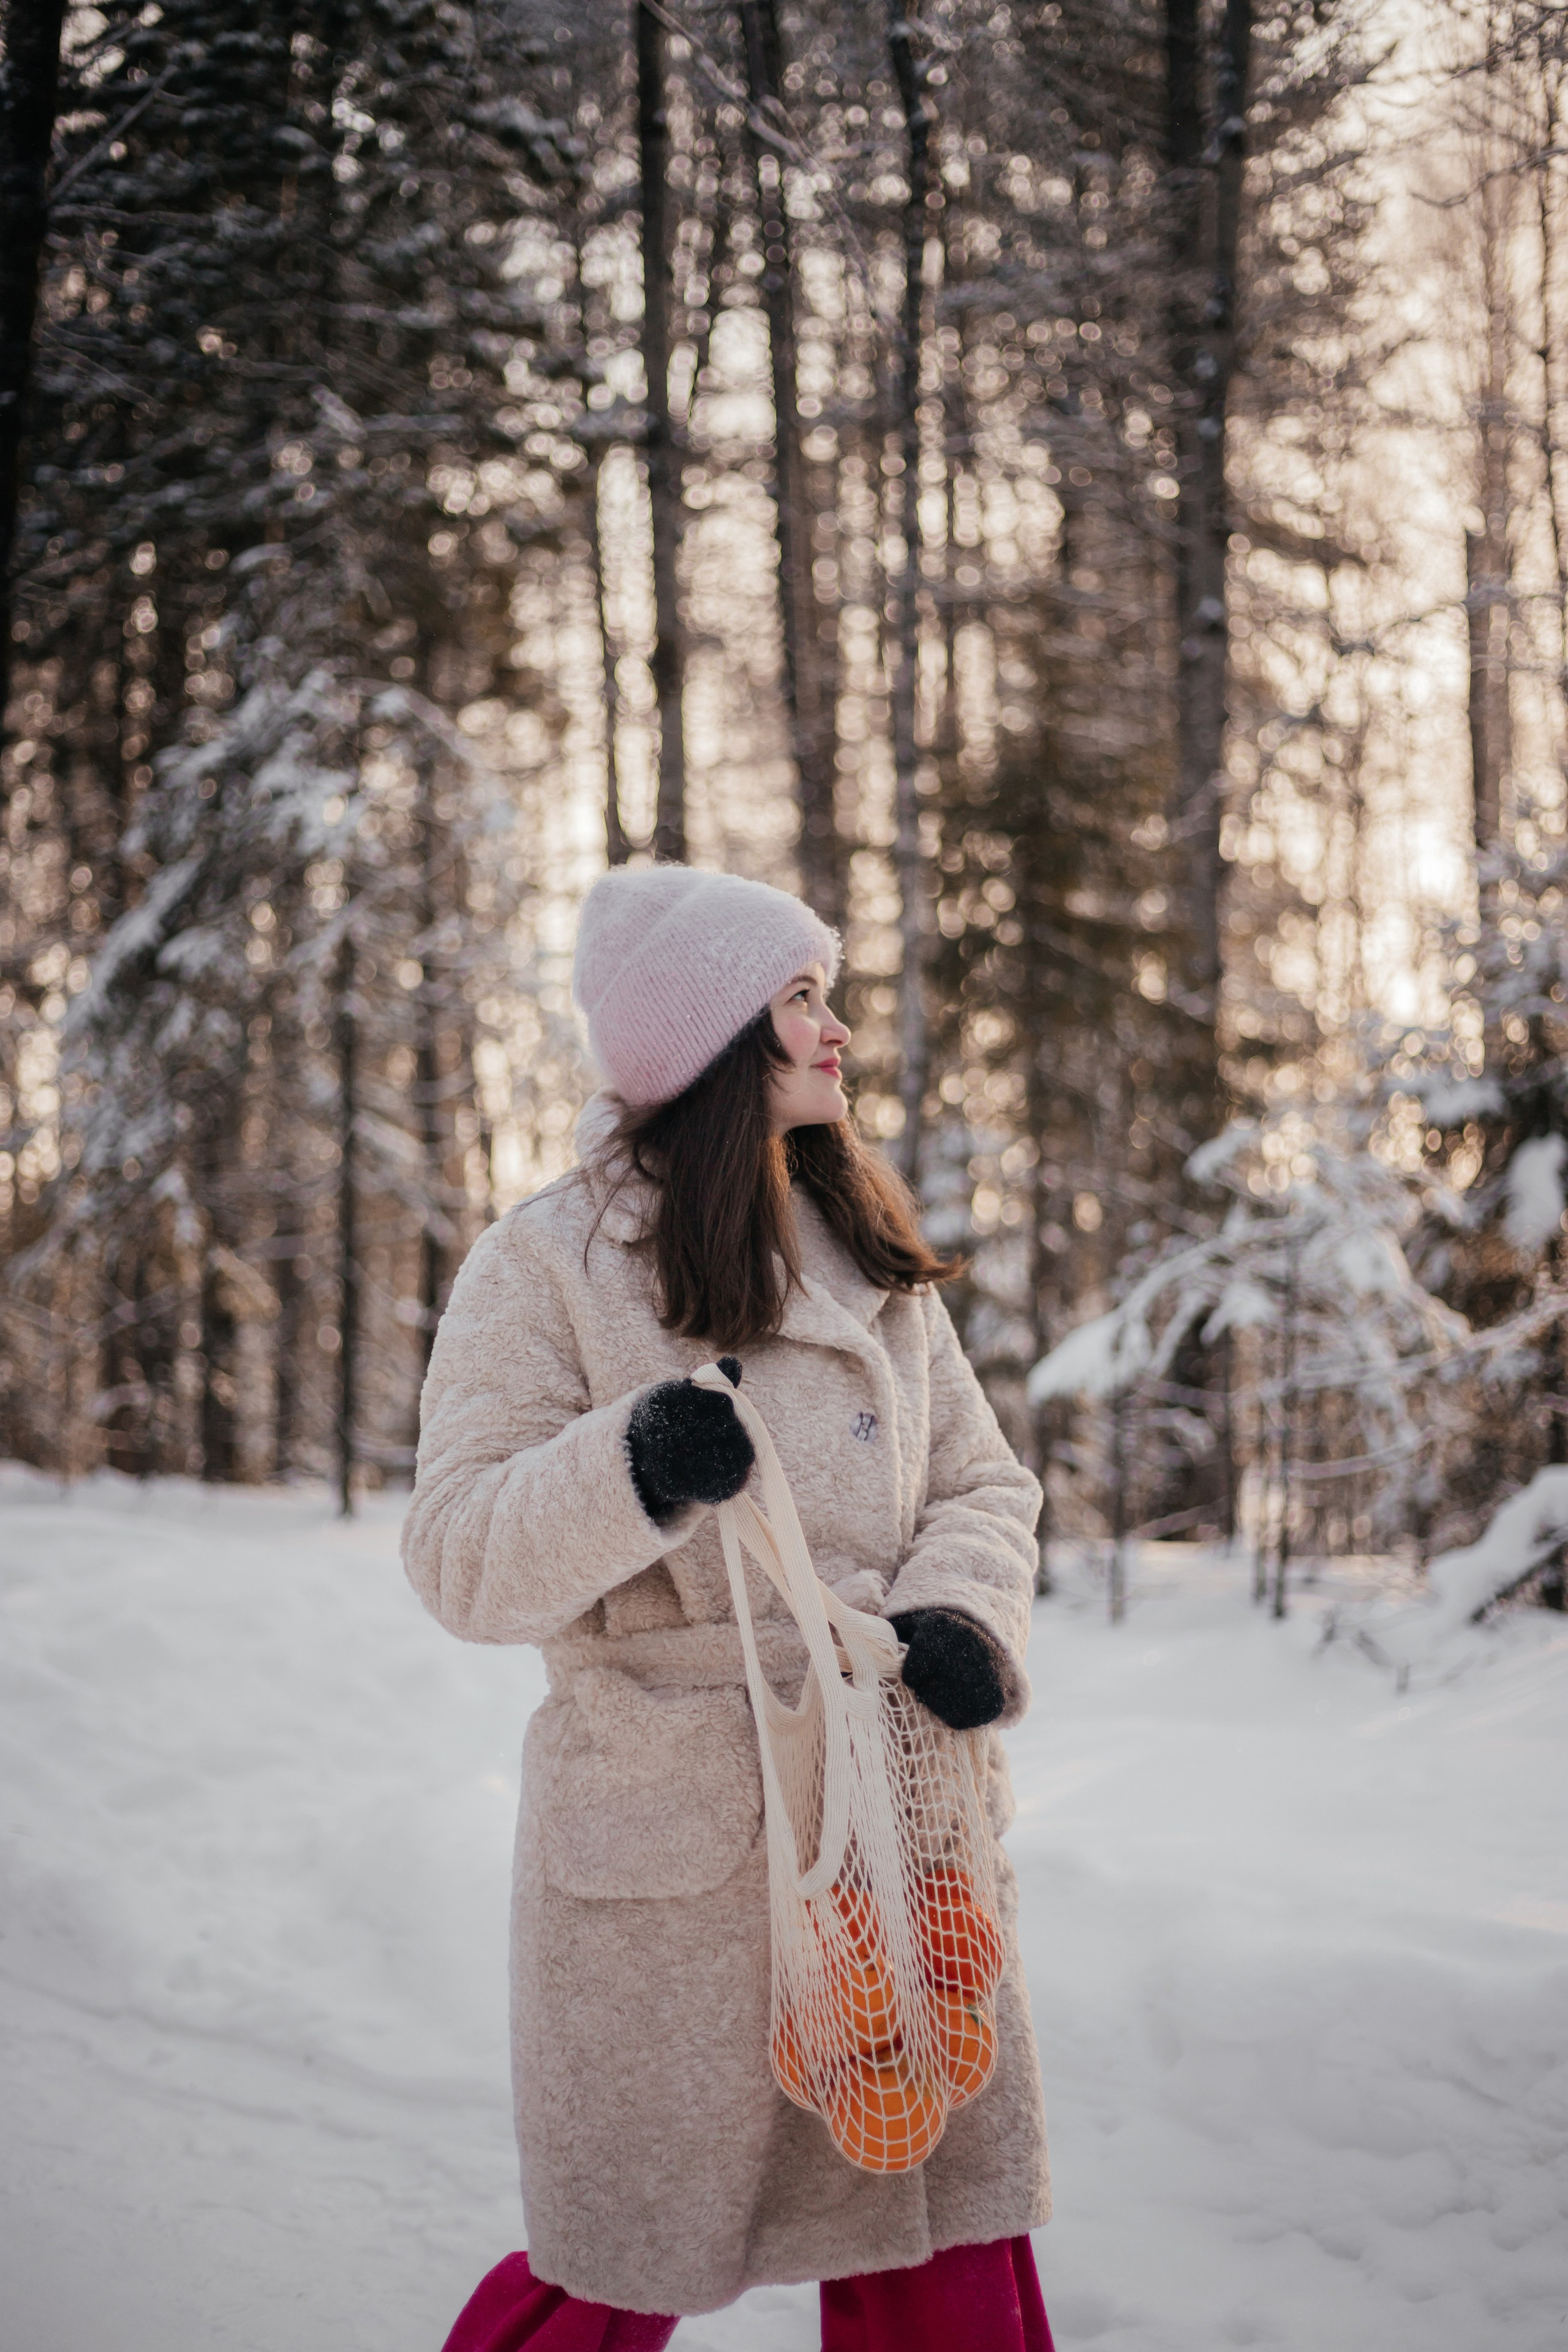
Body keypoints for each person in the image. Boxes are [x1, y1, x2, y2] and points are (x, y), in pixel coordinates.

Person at [403, 864, 1054, 2352]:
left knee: (940, 2239)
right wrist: (628, 1467)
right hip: (676, 1849)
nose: (836, 1029)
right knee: (624, 2258)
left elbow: (982, 1483)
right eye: (800, 999)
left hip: (897, 1818)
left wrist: (961, 1615)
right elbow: (454, 1554)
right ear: (710, 1044)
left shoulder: (868, 1252)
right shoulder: (546, 1265)